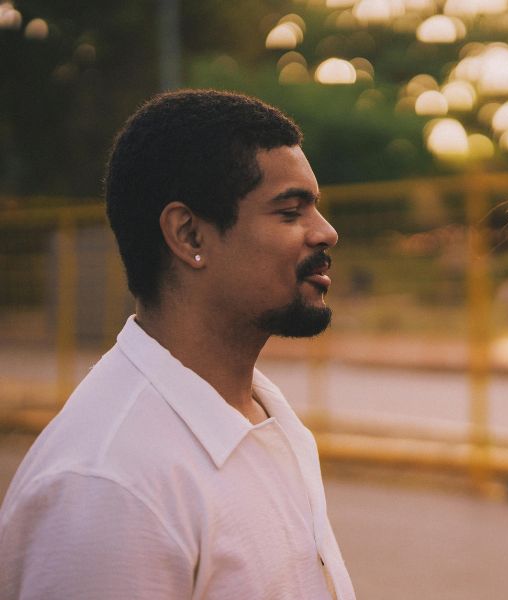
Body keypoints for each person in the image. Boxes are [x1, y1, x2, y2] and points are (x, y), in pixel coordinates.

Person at [0, 89, 355, 599]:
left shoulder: (263, 417)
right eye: (290, 212)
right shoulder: (108, 487)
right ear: (189, 235)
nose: (326, 233)